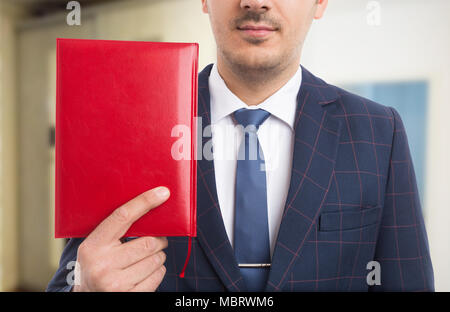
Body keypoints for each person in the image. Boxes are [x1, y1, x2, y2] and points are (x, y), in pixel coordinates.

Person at [47, 0, 434, 292]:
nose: (255, 1)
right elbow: (70, 277)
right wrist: (82, 288)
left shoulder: (379, 131)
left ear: (319, 2)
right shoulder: (128, 125)